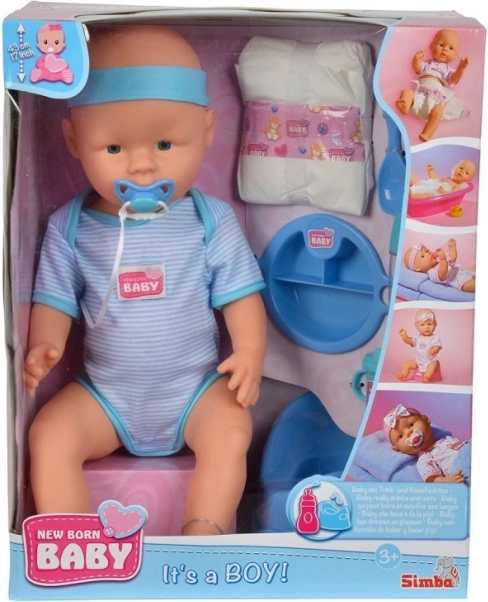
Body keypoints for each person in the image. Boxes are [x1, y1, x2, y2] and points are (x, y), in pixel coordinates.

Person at [23, 24, 267, 536]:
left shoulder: (208, 220)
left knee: (230, 429)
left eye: (164, 143)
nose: (141, 165)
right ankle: (73, 541)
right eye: (114, 148)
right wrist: (45, 345)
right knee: (50, 434)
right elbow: (55, 300)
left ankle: (204, 532)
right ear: (74, 140)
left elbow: (241, 295)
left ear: (206, 130)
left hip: (195, 392)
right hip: (106, 397)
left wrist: (249, 351)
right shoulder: (72, 226)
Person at [396, 28, 469, 142]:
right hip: (420, 93)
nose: (445, 49)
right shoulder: (427, 64)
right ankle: (405, 105)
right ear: (431, 46)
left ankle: (427, 133)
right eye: (441, 45)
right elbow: (417, 68)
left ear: (455, 55)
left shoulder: (448, 71)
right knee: (407, 92)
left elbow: (454, 79)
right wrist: (416, 59)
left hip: (436, 98)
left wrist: (461, 68)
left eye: (450, 48)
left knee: (438, 113)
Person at [383, 404, 468, 483]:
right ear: (398, 449)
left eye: (411, 425)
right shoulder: (424, 459)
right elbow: (432, 480)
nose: (409, 432)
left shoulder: (446, 438)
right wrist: (449, 481)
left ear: (426, 419)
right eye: (401, 436)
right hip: (462, 471)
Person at [403, 238, 475, 293]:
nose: (428, 253)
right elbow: (442, 274)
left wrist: (452, 247)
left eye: (427, 251)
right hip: (462, 282)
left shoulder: (439, 263)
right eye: (423, 256)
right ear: (417, 268)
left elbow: (453, 258)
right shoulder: (432, 273)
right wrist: (443, 260)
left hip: (468, 272)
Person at [397, 308, 441, 382]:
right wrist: (404, 335)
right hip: (418, 361)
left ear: (435, 324)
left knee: (433, 366)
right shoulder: (418, 338)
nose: (426, 327)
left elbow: (438, 346)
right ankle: (403, 375)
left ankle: (426, 377)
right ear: (416, 326)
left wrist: (434, 350)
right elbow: (409, 341)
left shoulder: (435, 338)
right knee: (406, 364)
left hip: (430, 361)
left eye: (429, 324)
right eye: (422, 325)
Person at [409, 159, 475, 199]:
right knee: (418, 182)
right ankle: (408, 174)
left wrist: (444, 192)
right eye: (461, 168)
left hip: (431, 192)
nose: (462, 171)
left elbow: (452, 195)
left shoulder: (456, 186)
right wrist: (430, 171)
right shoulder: (446, 179)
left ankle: (412, 196)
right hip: (428, 186)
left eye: (466, 173)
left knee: (429, 195)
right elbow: (433, 180)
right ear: (453, 168)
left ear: (469, 180)